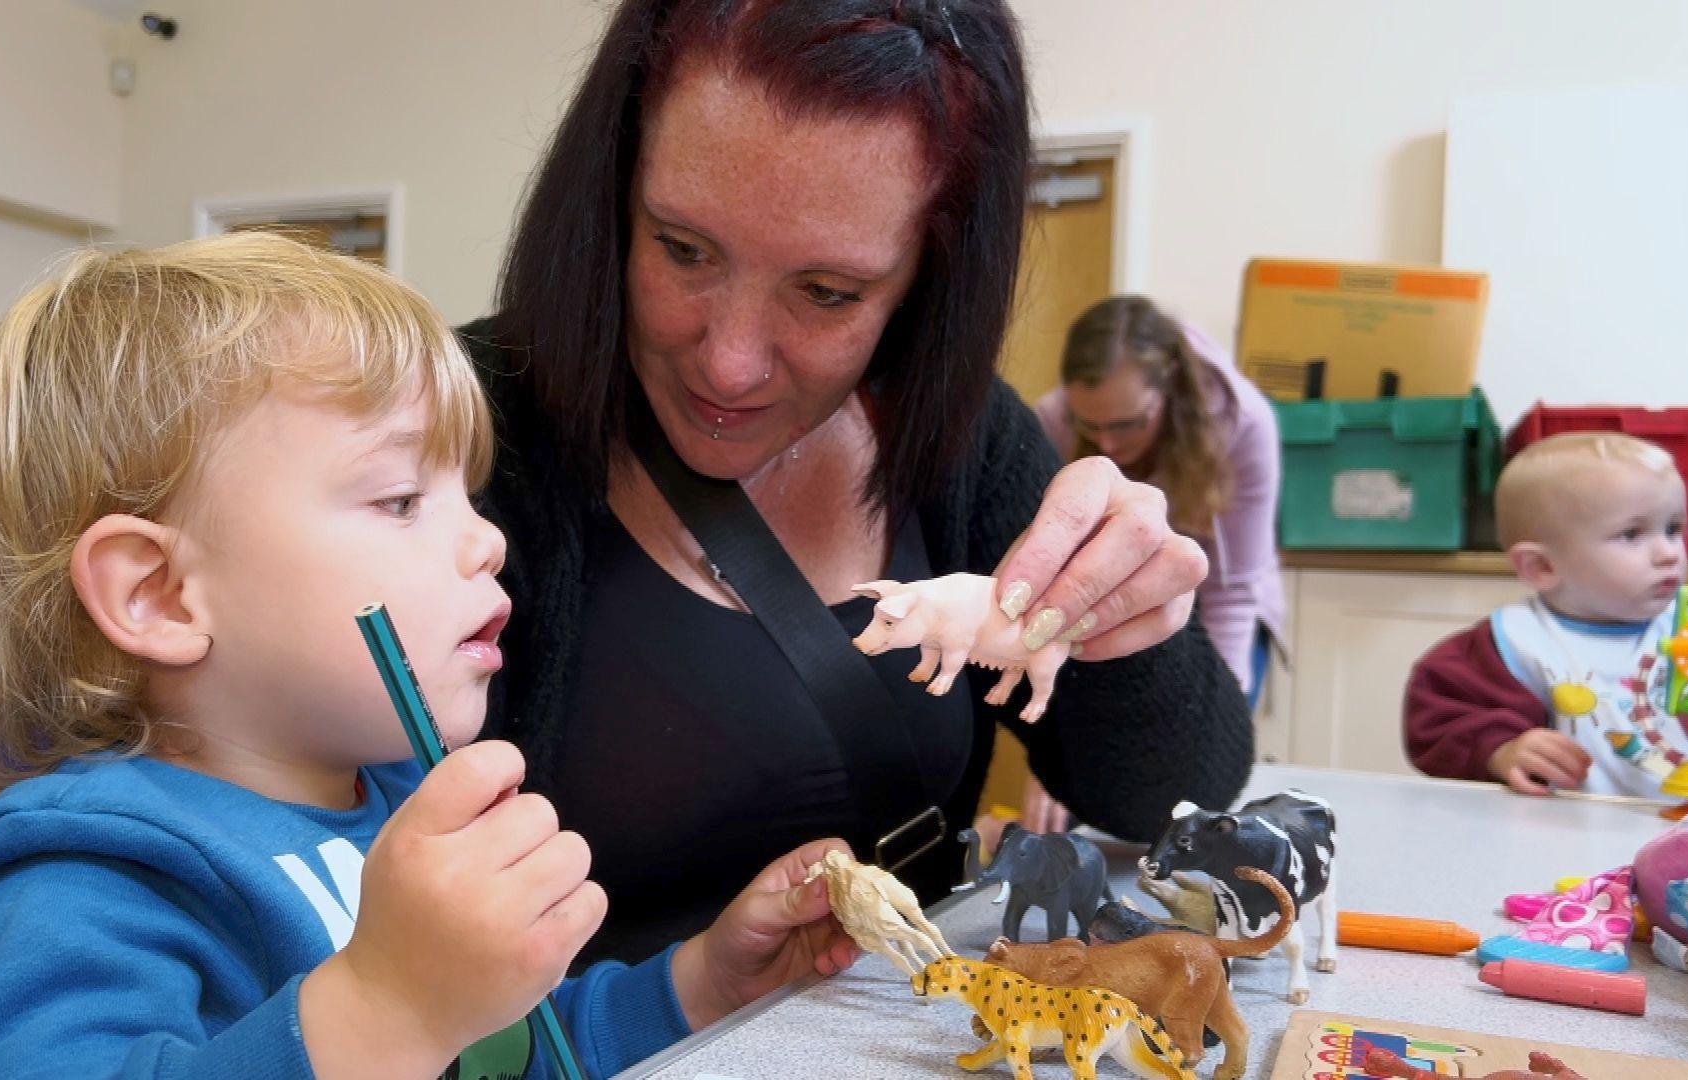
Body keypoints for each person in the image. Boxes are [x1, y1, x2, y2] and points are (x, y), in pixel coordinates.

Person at [0, 234, 860, 1079]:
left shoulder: (391, 803)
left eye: (468, 495)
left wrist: (701, 984)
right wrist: (383, 1013)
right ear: (159, 595)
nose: (486, 542)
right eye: (398, 500)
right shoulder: (69, 883)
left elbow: (519, 1049)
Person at [463, 0, 1253, 963]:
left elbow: (1170, 797)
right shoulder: (459, 439)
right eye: (682, 249)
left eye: (828, 292)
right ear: (614, 192)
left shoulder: (955, 433)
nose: (731, 365)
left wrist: (1125, 615)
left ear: (932, 273)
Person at [1019, 295, 1283, 833]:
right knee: (1092, 779)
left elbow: (1232, 594)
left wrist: (1210, 731)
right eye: (1090, 427)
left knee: (1198, 786)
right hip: (1098, 606)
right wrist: (1049, 754)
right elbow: (1053, 592)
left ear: (1168, 391)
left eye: (1126, 424)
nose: (1108, 445)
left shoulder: (1243, 425)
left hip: (1218, 604)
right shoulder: (1052, 420)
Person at [1404, 433, 1688, 797]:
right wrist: (1500, 750)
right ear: (1541, 566)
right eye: (1632, 534)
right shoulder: (1514, 644)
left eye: (1673, 529)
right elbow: (1440, 718)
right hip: (1558, 834)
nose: (1669, 553)